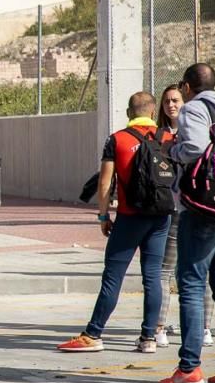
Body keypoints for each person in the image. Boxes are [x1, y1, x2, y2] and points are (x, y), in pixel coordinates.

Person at [58, 91, 171, 354]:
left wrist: (102, 215)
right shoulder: (168, 138)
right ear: (153, 112)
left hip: (130, 218)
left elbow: (105, 182)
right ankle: (148, 338)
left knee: (113, 277)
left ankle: (94, 333)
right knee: (153, 277)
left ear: (130, 112)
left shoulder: (117, 139)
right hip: (161, 217)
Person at [159, 63, 215, 383]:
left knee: (192, 284)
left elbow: (194, 147)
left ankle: (189, 368)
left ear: (186, 86)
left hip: (201, 208)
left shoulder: (194, 109)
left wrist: (173, 149)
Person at [153, 84, 215, 347]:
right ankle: (159, 328)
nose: (171, 105)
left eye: (176, 100)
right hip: (167, 209)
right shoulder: (158, 136)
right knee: (166, 270)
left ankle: (204, 328)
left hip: (193, 207)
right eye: (167, 101)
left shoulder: (198, 133)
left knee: (199, 270)